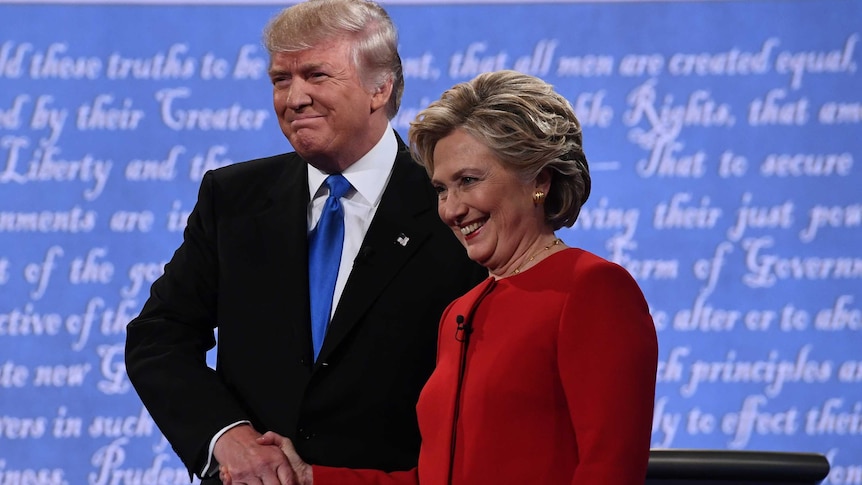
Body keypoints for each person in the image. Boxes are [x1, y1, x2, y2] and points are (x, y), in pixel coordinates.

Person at [231, 70, 660, 484]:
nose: (451, 210)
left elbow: (609, 470)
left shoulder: (592, 289)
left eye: (468, 181)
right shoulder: (461, 309)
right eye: (441, 189)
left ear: (540, 181)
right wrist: (310, 478)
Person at [124, 1, 486, 483]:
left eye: (316, 76)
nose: (293, 98)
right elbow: (159, 336)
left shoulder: (452, 204)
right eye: (280, 79)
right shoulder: (232, 197)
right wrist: (227, 437)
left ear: (381, 88)